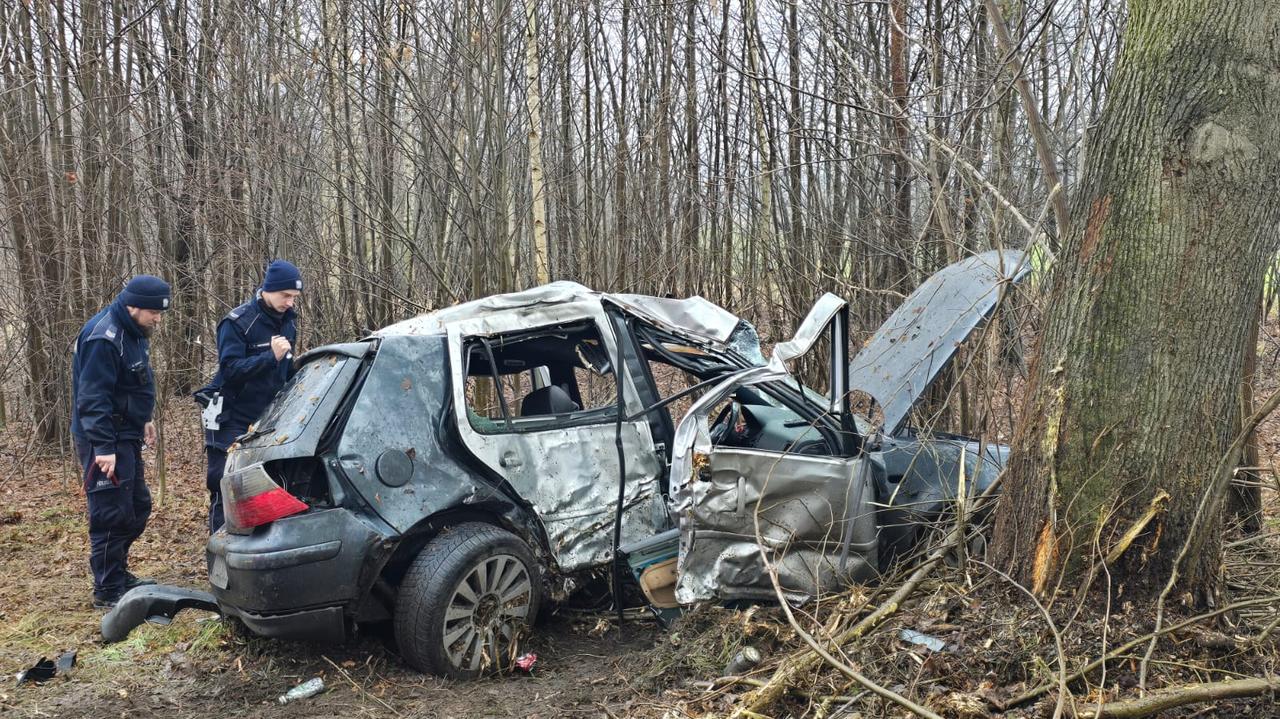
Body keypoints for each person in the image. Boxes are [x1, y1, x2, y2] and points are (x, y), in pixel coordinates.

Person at [71, 274, 169, 609]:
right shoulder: (104, 337)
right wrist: (104, 448)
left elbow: (135, 382)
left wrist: (145, 418)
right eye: (154, 312)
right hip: (105, 438)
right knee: (110, 513)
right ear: (134, 306)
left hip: (126, 433)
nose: (158, 318)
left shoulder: (135, 331)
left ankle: (115, 570)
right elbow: (92, 397)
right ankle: (107, 590)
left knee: (137, 506)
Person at [198, 260, 302, 532]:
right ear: (269, 289)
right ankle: (221, 553)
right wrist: (270, 357)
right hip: (227, 413)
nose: (290, 302)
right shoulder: (237, 322)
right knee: (225, 481)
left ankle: (257, 547)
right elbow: (230, 370)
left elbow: (285, 371)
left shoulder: (289, 323)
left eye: (294, 297)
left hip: (265, 416)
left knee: (265, 481)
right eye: (286, 295)